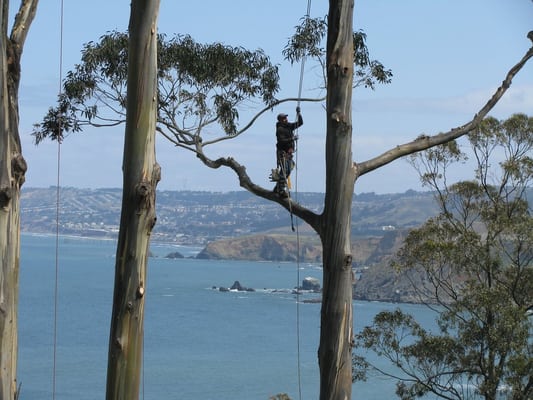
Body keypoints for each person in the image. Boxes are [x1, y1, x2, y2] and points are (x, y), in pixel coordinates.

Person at [273, 106, 303, 196]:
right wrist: (292, 138)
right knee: (285, 169)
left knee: (289, 169)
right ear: (280, 120)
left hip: (289, 153)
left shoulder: (288, 126)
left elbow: (300, 123)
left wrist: (299, 114)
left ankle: (278, 187)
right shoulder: (280, 129)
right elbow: (281, 141)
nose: (286, 119)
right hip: (283, 153)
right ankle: (281, 188)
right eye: (284, 118)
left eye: (286, 118)